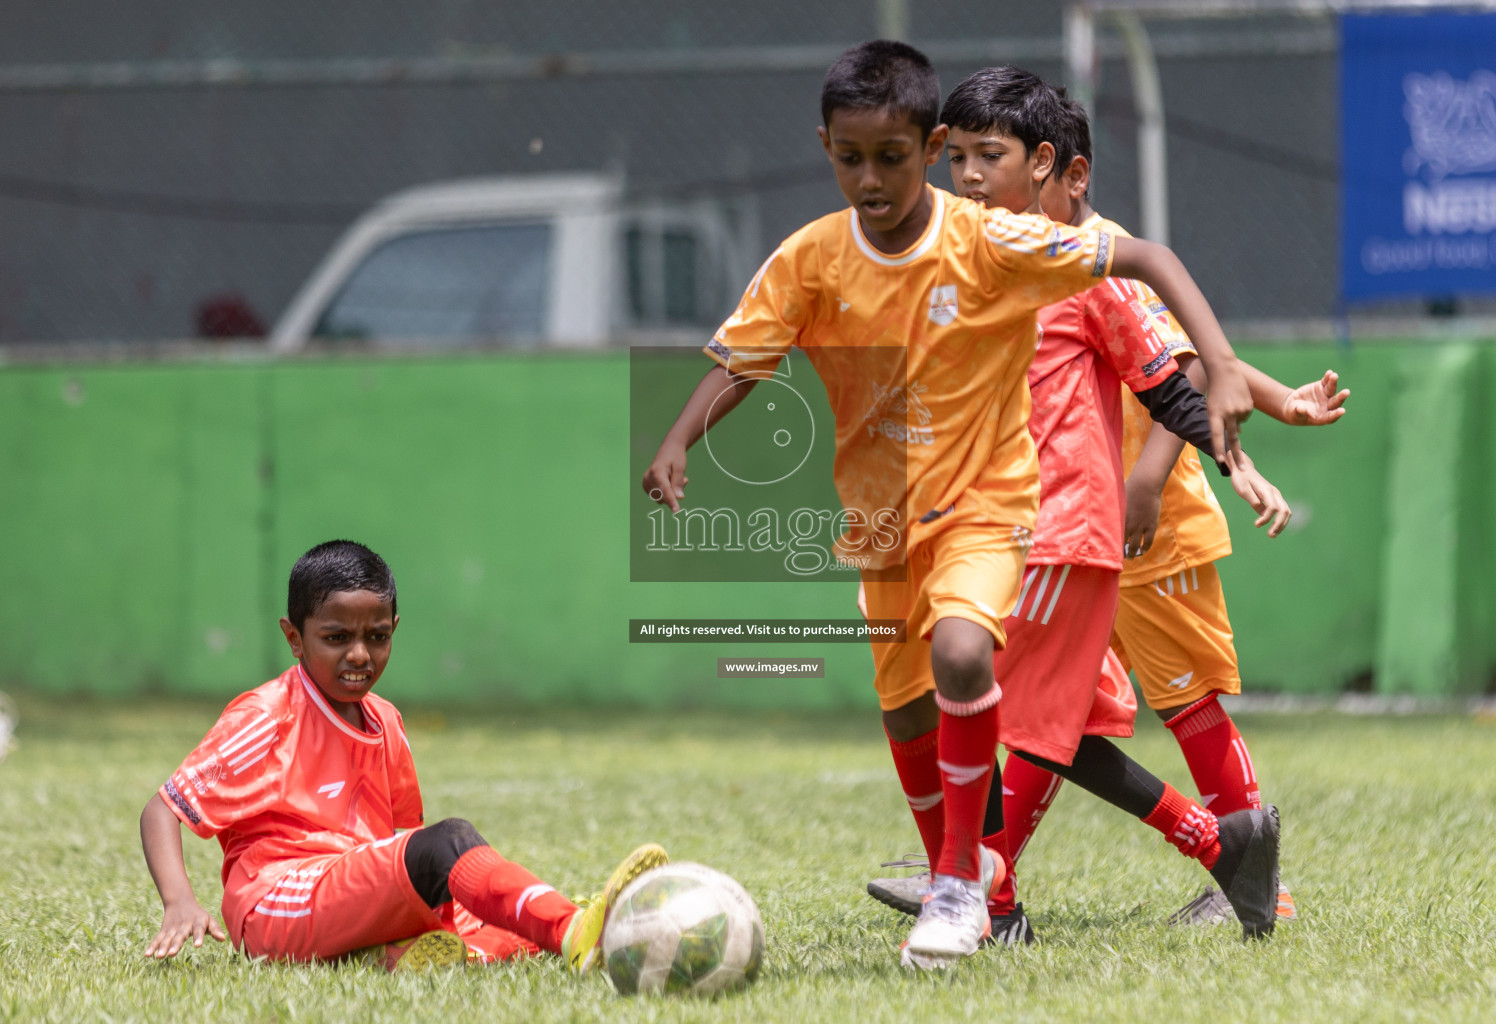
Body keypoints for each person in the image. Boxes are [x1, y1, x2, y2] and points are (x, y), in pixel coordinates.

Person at [642, 40, 1265, 968]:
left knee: (975, 666)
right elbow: (745, 359)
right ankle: (1028, 866)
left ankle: (975, 884)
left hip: (1014, 516)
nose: (870, 178)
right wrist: (678, 437)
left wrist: (1223, 392)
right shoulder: (811, 259)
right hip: (886, 528)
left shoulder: (1004, 246)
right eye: (849, 158)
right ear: (825, 149)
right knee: (928, 717)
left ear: (928, 148)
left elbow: (1149, 300)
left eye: (892, 157)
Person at [861, 67, 1292, 947]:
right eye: (961, 159)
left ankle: (989, 888)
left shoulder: (1084, 261)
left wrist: (1231, 450)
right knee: (1054, 726)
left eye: (994, 157)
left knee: (1126, 705)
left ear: (1060, 171)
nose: (972, 177)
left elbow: (1174, 369)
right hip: (1014, 531)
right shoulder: (963, 262)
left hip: (1108, 529)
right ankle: (1196, 848)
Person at [140, 539, 667, 970]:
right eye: (336, 637)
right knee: (450, 843)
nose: (359, 655)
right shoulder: (267, 715)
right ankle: (573, 929)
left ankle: (395, 955)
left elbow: (399, 839)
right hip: (278, 901)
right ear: (294, 638)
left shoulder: (386, 720)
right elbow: (162, 809)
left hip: (350, 885)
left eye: (378, 636)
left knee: (494, 917)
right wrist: (179, 901)